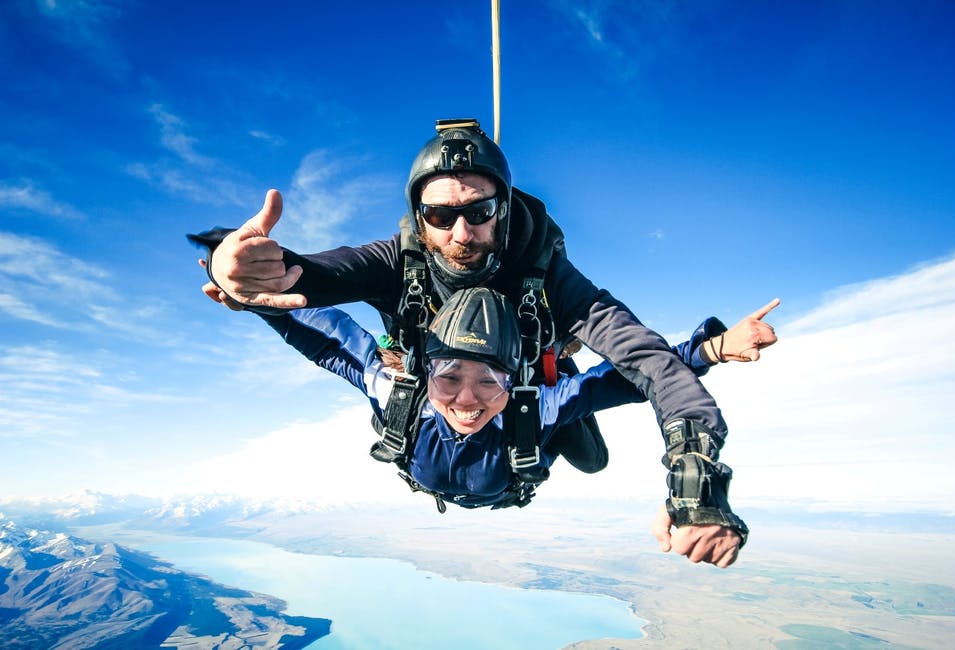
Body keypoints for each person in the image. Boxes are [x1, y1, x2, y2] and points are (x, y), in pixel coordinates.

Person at [189, 118, 777, 566]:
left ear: (504, 209)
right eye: (440, 216)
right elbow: (313, 291)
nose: (461, 233)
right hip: (506, 407)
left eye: (480, 210)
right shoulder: (399, 290)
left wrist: (696, 484)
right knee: (569, 412)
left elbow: (641, 365)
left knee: (587, 447)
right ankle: (541, 378)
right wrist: (243, 276)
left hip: (529, 395)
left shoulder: (548, 287)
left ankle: (546, 366)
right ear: (418, 217)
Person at [257, 288, 774, 568]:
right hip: (496, 467)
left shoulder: (531, 408)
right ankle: (543, 364)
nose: (466, 398)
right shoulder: (402, 396)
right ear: (425, 372)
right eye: (450, 376)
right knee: (582, 445)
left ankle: (552, 361)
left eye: (489, 380)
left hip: (525, 444)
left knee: (592, 456)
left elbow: (623, 378)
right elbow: (331, 339)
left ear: (511, 379)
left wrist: (712, 349)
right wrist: (254, 295)